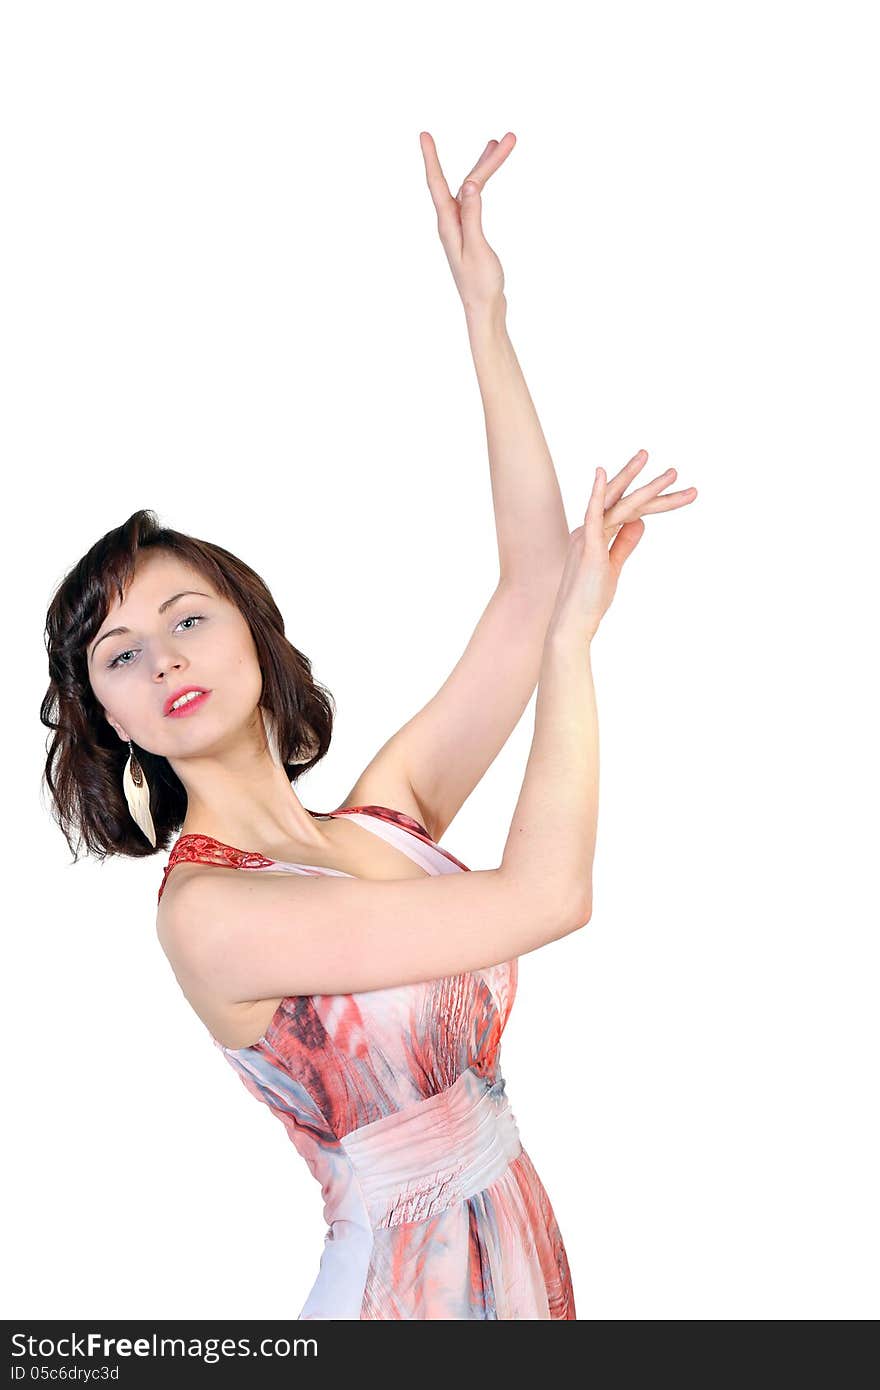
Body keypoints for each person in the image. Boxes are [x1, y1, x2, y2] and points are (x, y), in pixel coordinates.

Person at [40, 131, 697, 1320]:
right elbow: (550, 894)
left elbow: (530, 581)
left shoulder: (384, 822)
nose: (163, 658)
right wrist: (569, 649)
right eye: (120, 656)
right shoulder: (212, 914)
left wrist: (483, 310)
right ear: (111, 719)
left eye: (186, 618)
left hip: (521, 1268)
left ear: (252, 630)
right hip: (398, 1301)